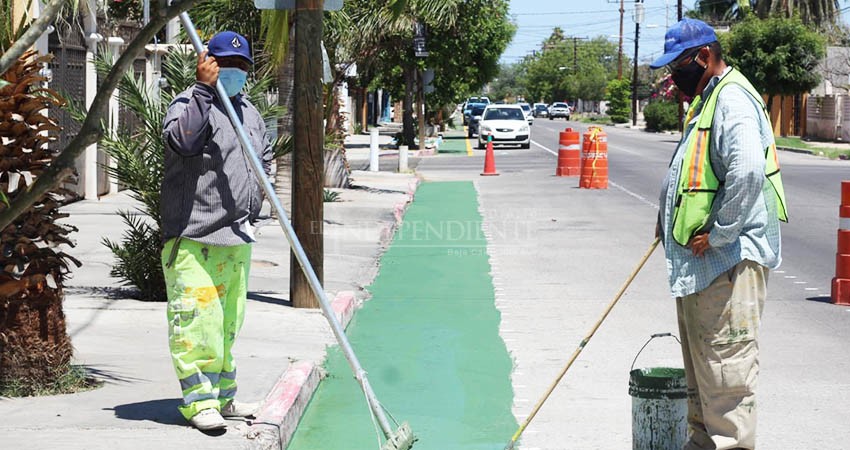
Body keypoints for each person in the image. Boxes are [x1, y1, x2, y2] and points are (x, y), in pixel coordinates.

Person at [651, 19, 788, 450]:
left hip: (727, 263)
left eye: (678, 66)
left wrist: (721, 233)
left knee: (725, 380)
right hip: (705, 266)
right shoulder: (710, 98)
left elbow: (747, 170)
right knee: (703, 376)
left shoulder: (732, 99)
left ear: (705, 57)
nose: (674, 77)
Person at [160, 30, 273, 431]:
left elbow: (264, 160)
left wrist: (259, 201)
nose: (234, 72)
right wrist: (204, 91)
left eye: (241, 67)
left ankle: (223, 398)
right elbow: (183, 142)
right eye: (225, 64)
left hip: (237, 237)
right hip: (193, 237)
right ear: (208, 63)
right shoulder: (187, 106)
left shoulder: (251, 114)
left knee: (227, 324)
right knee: (197, 323)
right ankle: (198, 402)